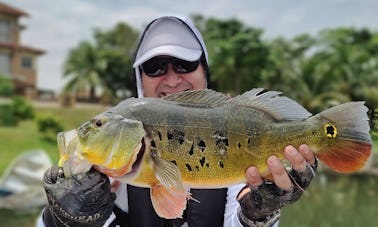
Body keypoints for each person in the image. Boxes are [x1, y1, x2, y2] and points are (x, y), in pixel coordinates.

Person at [39, 15, 317, 227]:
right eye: (154, 67)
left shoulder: (232, 131)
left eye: (184, 64)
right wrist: (63, 219)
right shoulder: (102, 163)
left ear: (204, 70)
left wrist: (258, 214)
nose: (171, 79)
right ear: (139, 79)